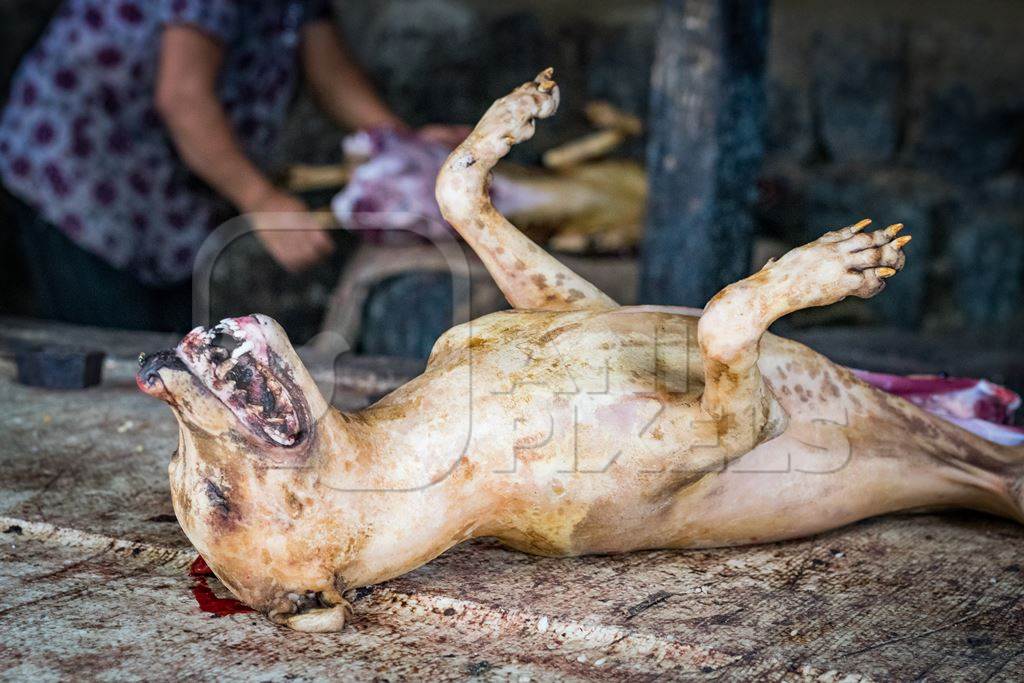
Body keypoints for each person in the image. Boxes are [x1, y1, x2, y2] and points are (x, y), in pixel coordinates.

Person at [0, 0, 464, 331]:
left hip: (166, 184)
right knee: (115, 346)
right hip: (80, 169)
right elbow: (183, 96)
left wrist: (401, 142)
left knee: (171, 345)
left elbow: (328, 68)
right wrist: (262, 201)